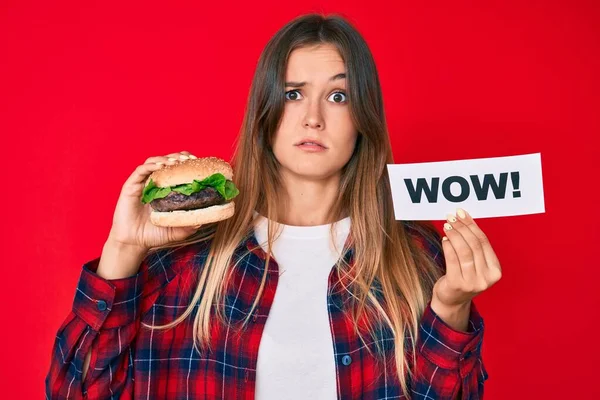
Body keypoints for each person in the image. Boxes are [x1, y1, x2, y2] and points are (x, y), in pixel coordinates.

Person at [45, 13, 502, 400]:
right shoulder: (183, 261)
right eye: (293, 93)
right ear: (264, 113)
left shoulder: (417, 259)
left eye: (338, 96)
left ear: (363, 118)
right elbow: (74, 391)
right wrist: (122, 249)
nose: (313, 117)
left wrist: (450, 308)